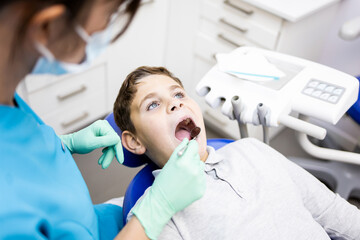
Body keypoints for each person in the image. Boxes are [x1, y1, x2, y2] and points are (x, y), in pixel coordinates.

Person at [0, 1, 206, 239]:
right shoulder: (9, 217)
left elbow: (18, 152)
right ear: (48, 26)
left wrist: (63, 143)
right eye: (109, 15)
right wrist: (157, 208)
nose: (176, 103)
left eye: (179, 93)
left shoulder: (7, 95)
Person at [114, 66, 360, 239]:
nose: (176, 103)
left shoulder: (253, 150)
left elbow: (333, 212)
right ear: (134, 142)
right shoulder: (155, 214)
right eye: (153, 104)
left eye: (178, 93)